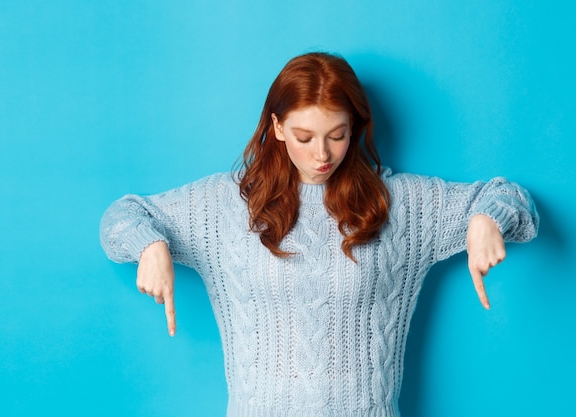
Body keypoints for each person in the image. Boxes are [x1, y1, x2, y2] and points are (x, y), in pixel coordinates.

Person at [100, 52, 538, 417]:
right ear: (277, 128)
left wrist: (486, 219)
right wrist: (150, 244)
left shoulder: (399, 203)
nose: (322, 154)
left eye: (337, 135)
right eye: (304, 137)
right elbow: (121, 217)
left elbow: (510, 198)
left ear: (355, 128)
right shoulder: (225, 205)